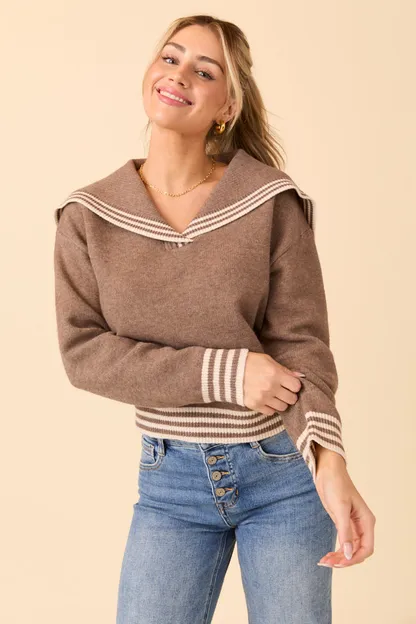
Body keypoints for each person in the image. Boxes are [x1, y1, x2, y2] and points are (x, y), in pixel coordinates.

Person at [53, 14, 376, 624]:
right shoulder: (89, 215)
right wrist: (227, 373)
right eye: (170, 57)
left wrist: (329, 462)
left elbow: (302, 345)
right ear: (150, 72)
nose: (179, 75)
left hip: (283, 473)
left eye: (205, 71)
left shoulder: (268, 200)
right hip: (168, 484)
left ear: (227, 106)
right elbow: (84, 354)